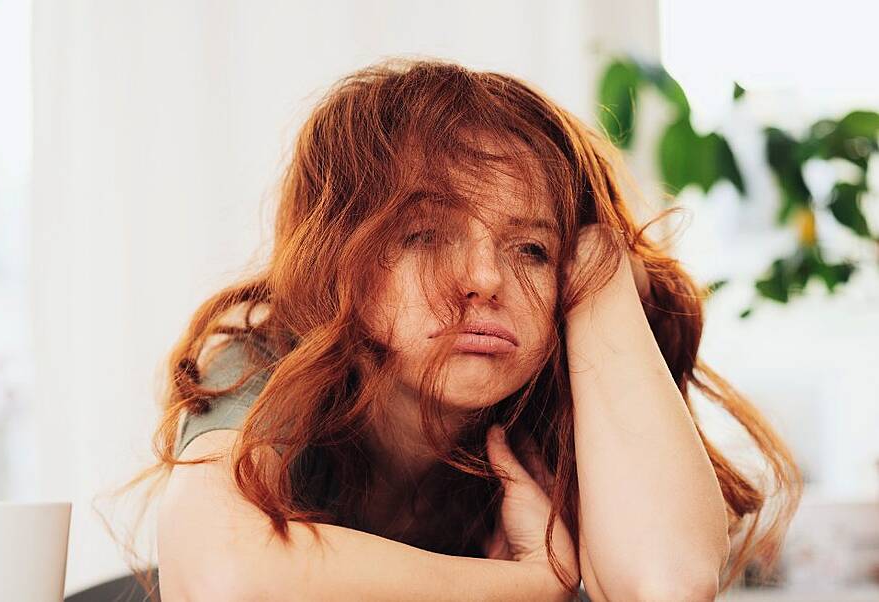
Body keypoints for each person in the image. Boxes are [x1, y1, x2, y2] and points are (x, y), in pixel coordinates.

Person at [113, 58, 801, 601]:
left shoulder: (560, 383)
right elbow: (220, 578)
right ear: (339, 255)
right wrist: (527, 585)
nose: (484, 278)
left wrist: (600, 265)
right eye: (425, 234)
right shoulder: (268, 357)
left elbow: (667, 584)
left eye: (531, 249)